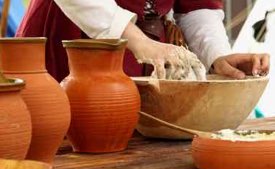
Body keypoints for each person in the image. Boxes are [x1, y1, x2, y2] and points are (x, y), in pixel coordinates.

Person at [16, 0, 269, 82]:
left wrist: (217, 56)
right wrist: (138, 42)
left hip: (147, 51)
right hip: (72, 33)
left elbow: (195, 5)